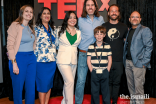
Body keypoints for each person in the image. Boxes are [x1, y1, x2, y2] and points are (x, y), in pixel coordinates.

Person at [75, 0, 104, 103]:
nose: (90, 7)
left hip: (97, 54)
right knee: (81, 81)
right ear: (85, 7)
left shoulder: (101, 19)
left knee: (96, 81)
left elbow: (104, 34)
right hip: (83, 53)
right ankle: (78, 102)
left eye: (92, 5)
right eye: (88, 5)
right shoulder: (80, 20)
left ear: (95, 7)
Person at [7, 5, 36, 104]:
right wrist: (14, 63)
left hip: (31, 59)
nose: (29, 13)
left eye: (31, 12)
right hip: (18, 59)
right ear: (22, 13)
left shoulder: (31, 27)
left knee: (31, 88)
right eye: (26, 11)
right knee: (18, 88)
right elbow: (10, 46)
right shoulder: (15, 25)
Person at [123, 11, 153, 104]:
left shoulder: (145, 30)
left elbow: (149, 47)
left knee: (138, 89)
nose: (135, 18)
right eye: (133, 17)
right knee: (131, 87)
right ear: (129, 19)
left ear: (140, 19)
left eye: (137, 17)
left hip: (138, 64)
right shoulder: (129, 31)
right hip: (128, 62)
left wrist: (144, 62)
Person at [102, 4, 128, 104]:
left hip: (118, 60)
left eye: (116, 11)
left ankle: (115, 102)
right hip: (105, 60)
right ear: (108, 13)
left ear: (118, 13)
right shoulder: (104, 26)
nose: (114, 13)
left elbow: (126, 43)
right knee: (107, 82)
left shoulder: (124, 27)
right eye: (112, 11)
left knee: (117, 83)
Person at [34, 7, 58, 104]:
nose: (46, 15)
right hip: (41, 62)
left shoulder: (53, 29)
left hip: (52, 61)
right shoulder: (35, 29)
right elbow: (32, 45)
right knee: (42, 86)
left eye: (48, 13)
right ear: (40, 16)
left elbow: (56, 44)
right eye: (44, 13)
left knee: (49, 85)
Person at [57, 11, 81, 104]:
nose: (72, 19)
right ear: (66, 19)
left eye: (74, 17)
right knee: (70, 82)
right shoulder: (60, 30)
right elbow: (55, 44)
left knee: (68, 83)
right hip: (62, 60)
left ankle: (64, 101)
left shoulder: (79, 32)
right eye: (70, 17)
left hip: (73, 60)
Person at [87, 26, 112, 104]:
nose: (99, 36)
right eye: (97, 34)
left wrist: (107, 70)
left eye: (101, 34)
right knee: (94, 91)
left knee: (106, 91)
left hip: (104, 71)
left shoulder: (107, 46)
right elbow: (88, 60)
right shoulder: (91, 46)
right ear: (94, 35)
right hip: (94, 71)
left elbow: (110, 59)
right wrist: (91, 70)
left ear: (104, 35)